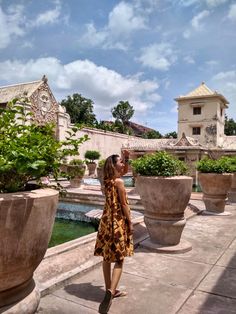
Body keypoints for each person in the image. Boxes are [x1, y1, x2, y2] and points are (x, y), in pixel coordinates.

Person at [94, 150, 134, 314]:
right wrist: (130, 222)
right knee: (119, 259)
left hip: (105, 221)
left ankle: (108, 289)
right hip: (117, 222)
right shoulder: (119, 183)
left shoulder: (106, 180)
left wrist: (126, 158)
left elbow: (124, 171)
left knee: (106, 257)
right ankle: (112, 291)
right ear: (114, 166)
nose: (123, 165)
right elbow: (124, 205)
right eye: (120, 162)